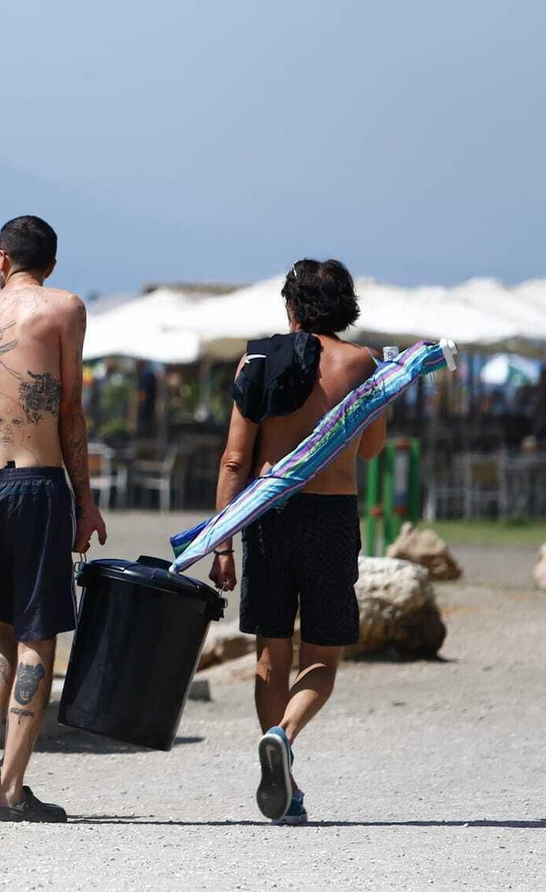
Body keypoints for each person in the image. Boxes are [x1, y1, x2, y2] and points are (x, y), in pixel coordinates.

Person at [209, 258, 386, 825]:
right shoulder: (361, 363)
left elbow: (235, 458)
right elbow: (370, 450)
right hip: (332, 519)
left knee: (271, 649)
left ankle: (279, 764)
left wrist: (222, 544)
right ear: (345, 307)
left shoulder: (257, 358)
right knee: (324, 656)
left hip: (267, 514)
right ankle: (284, 737)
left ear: (290, 307)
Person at [0, 215, 106, 823]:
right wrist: (85, 499)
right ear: (51, 262)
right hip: (34, 481)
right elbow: (69, 409)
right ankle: (11, 788)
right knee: (38, 637)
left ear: (0, 259)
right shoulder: (64, 308)